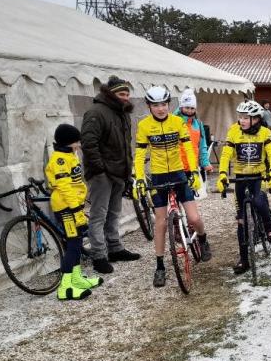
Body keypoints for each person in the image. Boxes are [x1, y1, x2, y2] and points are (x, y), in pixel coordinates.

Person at [134, 86, 212, 288]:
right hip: (159, 176)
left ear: (169, 105)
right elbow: (141, 154)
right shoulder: (144, 126)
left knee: (194, 218)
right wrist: (139, 177)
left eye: (163, 104)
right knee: (160, 222)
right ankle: (160, 266)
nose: (160, 109)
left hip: (179, 173)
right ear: (149, 106)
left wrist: (194, 171)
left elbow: (187, 146)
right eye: (155, 105)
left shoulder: (177, 122)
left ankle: (202, 239)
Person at [80, 76, 140, 275]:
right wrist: (99, 170)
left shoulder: (122, 114)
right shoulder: (96, 112)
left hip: (118, 172)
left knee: (114, 213)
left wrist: (127, 170)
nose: (126, 98)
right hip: (102, 174)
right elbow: (89, 144)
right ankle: (99, 255)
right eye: (122, 94)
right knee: (98, 215)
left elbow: (125, 146)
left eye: (127, 94)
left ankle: (114, 248)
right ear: (111, 94)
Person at [217, 100, 271, 274]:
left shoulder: (265, 133)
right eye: (240, 117)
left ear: (256, 119)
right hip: (241, 176)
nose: (241, 120)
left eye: (246, 118)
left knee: (259, 201)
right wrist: (222, 174)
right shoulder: (234, 131)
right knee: (241, 221)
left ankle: (268, 226)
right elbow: (226, 154)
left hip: (259, 175)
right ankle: (244, 260)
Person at [46, 124, 102, 300]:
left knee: (77, 242)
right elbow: (65, 187)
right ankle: (65, 286)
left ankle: (76, 279)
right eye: (76, 142)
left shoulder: (70, 155)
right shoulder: (59, 159)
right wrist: (76, 209)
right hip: (66, 208)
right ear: (68, 142)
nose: (79, 144)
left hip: (73, 206)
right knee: (72, 244)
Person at [175, 88, 213, 186]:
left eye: (192, 108)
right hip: (176, 167)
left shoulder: (198, 124)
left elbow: (202, 146)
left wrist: (205, 163)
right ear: (181, 107)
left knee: (189, 197)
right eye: (187, 107)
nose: (189, 111)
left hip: (192, 167)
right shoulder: (174, 122)